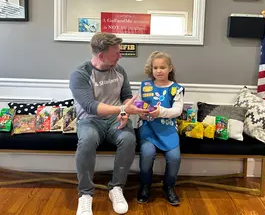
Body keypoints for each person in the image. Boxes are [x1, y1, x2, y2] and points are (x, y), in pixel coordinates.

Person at [69, 32, 149, 215]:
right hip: (90, 121)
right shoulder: (80, 74)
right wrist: (123, 110)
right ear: (101, 55)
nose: (120, 56)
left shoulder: (119, 70)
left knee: (129, 140)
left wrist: (126, 113)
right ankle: (86, 194)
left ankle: (116, 188)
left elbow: (126, 96)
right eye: (116, 53)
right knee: (87, 141)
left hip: (116, 121)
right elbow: (91, 107)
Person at [136, 51, 184, 206]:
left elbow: (177, 110)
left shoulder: (176, 89)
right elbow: (137, 104)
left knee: (175, 157)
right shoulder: (145, 86)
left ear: (170, 68)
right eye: (155, 67)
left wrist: (160, 112)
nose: (158, 70)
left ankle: (169, 187)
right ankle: (145, 186)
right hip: (148, 128)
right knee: (147, 154)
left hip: (168, 129)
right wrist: (141, 112)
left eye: (162, 67)